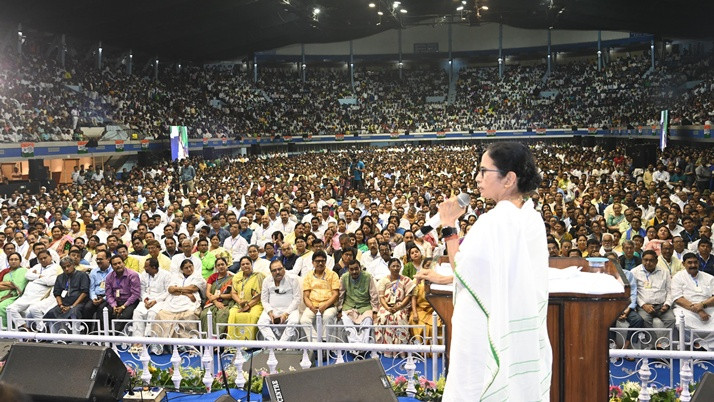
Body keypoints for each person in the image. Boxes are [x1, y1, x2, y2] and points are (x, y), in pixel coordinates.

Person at [418, 142, 551, 400]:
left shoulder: (494, 221)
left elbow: (464, 267)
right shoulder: (531, 216)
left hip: (484, 327)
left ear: (508, 179)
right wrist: (445, 278)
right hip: (516, 323)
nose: (477, 179)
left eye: (483, 171)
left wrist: (448, 225)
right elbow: (496, 275)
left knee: (475, 386)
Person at [151, 260, 206, 343]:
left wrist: (177, 289)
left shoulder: (198, 276)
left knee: (189, 315)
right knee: (161, 315)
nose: (189, 269)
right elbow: (170, 289)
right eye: (186, 268)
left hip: (190, 303)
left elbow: (193, 288)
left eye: (190, 266)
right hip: (173, 302)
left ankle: (188, 343)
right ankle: (162, 343)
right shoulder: (176, 276)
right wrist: (187, 294)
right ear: (182, 269)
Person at [6, 251, 61, 331]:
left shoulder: (56, 267)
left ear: (50, 256)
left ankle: (42, 331)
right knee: (10, 309)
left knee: (32, 311)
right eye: (40, 259)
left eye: (45, 258)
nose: (43, 260)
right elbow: (27, 275)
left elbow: (51, 281)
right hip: (26, 296)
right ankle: (26, 328)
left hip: (38, 296)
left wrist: (34, 278)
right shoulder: (37, 266)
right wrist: (39, 276)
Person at [631, 250, 675, 344]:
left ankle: (663, 344)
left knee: (671, 319)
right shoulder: (634, 272)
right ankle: (655, 344)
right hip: (645, 306)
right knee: (644, 319)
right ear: (642, 260)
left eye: (651, 260)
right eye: (645, 260)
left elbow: (670, 291)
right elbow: (634, 292)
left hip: (662, 305)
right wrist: (643, 305)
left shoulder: (665, 272)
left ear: (656, 261)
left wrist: (667, 304)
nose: (648, 263)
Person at [672, 253, 714, 350]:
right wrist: (699, 310)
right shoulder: (677, 277)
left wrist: (703, 305)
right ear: (683, 264)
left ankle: (706, 347)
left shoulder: (709, 277)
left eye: (695, 262)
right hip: (686, 309)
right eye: (689, 263)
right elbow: (678, 298)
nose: (693, 265)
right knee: (681, 323)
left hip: (708, 307)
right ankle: (695, 345)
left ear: (698, 263)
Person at [375, 258, 415, 356]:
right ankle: (387, 350)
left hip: (401, 306)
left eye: (398, 266)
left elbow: (408, 297)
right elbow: (381, 298)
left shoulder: (406, 280)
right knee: (384, 317)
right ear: (389, 268)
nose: (396, 268)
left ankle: (401, 351)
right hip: (386, 306)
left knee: (399, 317)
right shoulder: (383, 280)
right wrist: (388, 308)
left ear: (401, 267)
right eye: (393, 266)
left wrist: (399, 306)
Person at [299, 250, 340, 342]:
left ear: (325, 262)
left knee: (327, 316)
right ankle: (316, 343)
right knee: (304, 320)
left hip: (330, 305)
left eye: (322, 261)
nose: (320, 263)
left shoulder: (333, 275)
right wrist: (311, 307)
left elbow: (336, 294)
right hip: (313, 305)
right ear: (313, 263)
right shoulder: (308, 276)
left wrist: (325, 305)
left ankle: (326, 343)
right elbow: (306, 296)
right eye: (317, 261)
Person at [257, 260, 302, 342]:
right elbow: (264, 300)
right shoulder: (266, 281)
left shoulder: (293, 279)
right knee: (261, 323)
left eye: (280, 269)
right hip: (272, 309)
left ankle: (281, 345)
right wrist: (270, 312)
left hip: (290, 310)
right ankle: (273, 342)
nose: (277, 272)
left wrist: (286, 314)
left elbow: (297, 299)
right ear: (270, 272)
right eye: (274, 270)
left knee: (294, 321)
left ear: (284, 268)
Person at [42, 256, 90, 333]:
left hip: (79, 303)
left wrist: (72, 306)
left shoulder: (82, 275)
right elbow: (57, 293)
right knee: (51, 312)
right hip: (63, 304)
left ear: (73, 265)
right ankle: (56, 338)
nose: (66, 269)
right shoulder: (60, 277)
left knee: (74, 311)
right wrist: (61, 305)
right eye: (64, 267)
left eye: (68, 266)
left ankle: (76, 338)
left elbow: (84, 292)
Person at [338, 260, 379, 348]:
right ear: (348, 270)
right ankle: (354, 346)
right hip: (349, 306)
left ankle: (363, 346)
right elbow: (340, 295)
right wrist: (339, 309)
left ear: (360, 268)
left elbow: (374, 294)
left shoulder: (367, 277)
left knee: (368, 320)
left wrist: (375, 310)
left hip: (365, 306)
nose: (354, 272)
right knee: (345, 319)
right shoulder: (344, 277)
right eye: (351, 269)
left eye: (356, 269)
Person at [131, 257, 171, 345]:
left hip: (160, 300)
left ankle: (150, 341)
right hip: (146, 300)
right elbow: (142, 290)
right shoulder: (144, 274)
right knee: (137, 312)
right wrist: (145, 299)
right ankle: (138, 341)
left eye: (146, 266)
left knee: (152, 313)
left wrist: (155, 301)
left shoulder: (166, 275)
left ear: (153, 267)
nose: (144, 268)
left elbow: (167, 291)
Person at [227, 256, 264, 340]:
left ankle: (248, 342)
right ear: (240, 266)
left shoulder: (258, 276)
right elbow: (233, 293)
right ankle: (232, 341)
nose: (245, 266)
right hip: (240, 303)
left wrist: (248, 306)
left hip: (255, 304)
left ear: (251, 264)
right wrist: (240, 302)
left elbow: (259, 295)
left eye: (247, 263)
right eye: (243, 264)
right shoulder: (237, 277)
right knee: (232, 314)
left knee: (253, 316)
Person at [104, 254, 141, 334]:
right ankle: (100, 335)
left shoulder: (132, 275)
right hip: (116, 301)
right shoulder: (109, 277)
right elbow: (108, 294)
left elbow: (135, 294)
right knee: (103, 311)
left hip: (130, 301)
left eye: (119, 263)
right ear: (112, 266)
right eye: (115, 264)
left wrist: (123, 306)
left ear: (123, 263)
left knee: (125, 315)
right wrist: (114, 305)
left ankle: (111, 337)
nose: (118, 265)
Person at [199, 257, 234, 337]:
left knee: (222, 314)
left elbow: (232, 295)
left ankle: (218, 339)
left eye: (222, 264)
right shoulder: (213, 277)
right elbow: (208, 292)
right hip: (212, 302)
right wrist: (215, 302)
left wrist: (218, 296)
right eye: (218, 265)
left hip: (226, 303)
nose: (221, 266)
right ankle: (206, 339)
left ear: (226, 265)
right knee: (205, 314)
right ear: (216, 267)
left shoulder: (232, 278)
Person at [0, 253, 28, 328]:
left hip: (13, 296)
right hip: (2, 294)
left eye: (16, 259)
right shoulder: (6, 274)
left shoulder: (23, 271)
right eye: (11, 260)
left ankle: (6, 328)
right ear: (8, 262)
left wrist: (8, 285)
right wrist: (8, 284)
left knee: (1, 307)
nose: (13, 261)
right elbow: (10, 285)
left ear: (20, 261)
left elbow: (16, 286)